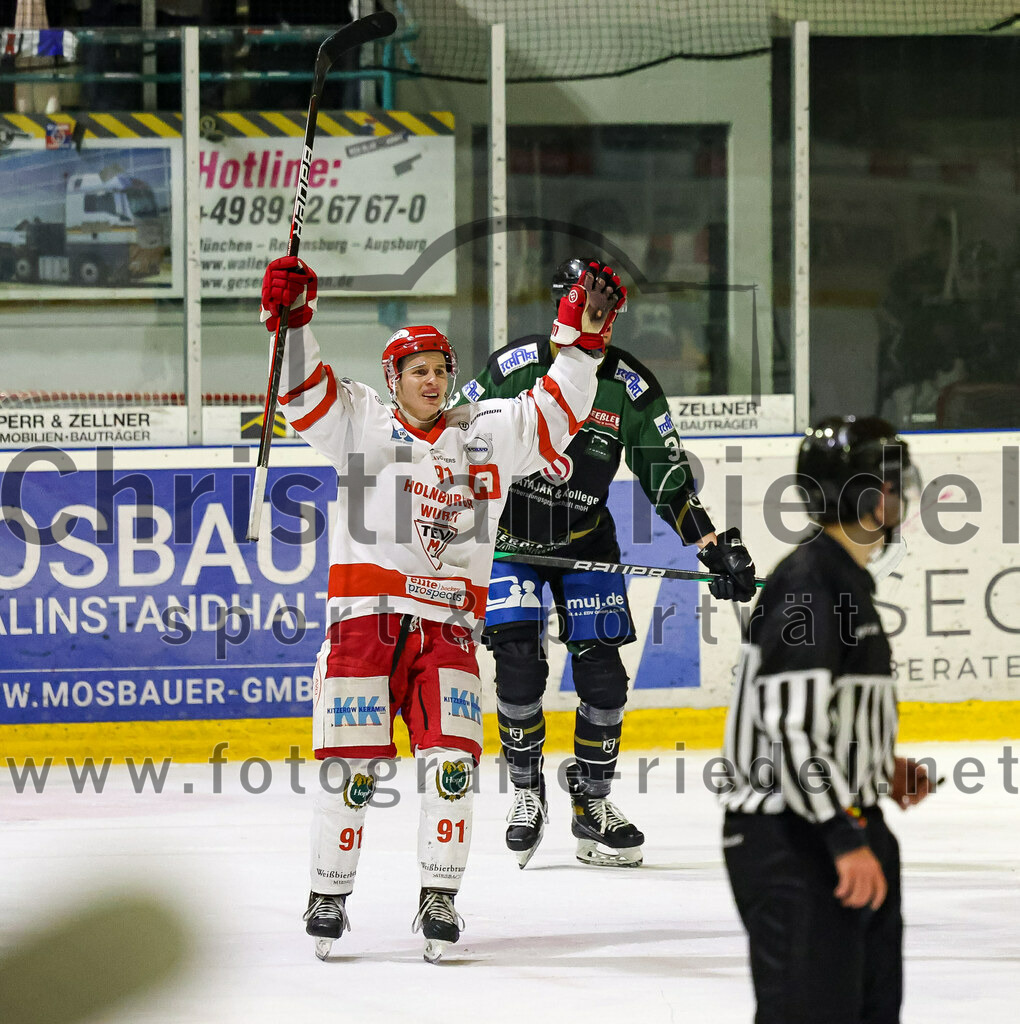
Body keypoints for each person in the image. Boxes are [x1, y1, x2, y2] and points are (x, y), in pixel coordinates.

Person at [260, 254, 624, 962]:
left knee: (454, 765)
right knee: (350, 768)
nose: (432, 380)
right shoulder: (359, 418)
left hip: (448, 629)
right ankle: (329, 893)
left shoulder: (485, 429)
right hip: (365, 622)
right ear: (394, 377)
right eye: (417, 369)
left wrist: (580, 342)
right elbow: (300, 390)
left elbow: (556, 409)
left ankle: (440, 898)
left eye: (440, 369)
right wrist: (292, 319)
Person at [453, 255, 757, 870]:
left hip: (587, 545)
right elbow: (453, 433)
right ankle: (526, 790)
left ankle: (591, 802)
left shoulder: (632, 387)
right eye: (590, 307)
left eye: (609, 311)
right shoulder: (517, 366)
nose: (602, 320)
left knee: (603, 680)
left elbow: (668, 479)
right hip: (511, 543)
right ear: (564, 306)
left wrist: (711, 543)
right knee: (516, 664)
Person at [718, 415, 935, 1024]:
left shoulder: (842, 580)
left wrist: (874, 763)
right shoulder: (812, 585)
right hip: (794, 840)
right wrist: (844, 838)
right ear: (864, 492)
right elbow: (790, 729)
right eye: (891, 481)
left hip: (840, 821)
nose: (900, 493)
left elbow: (813, 714)